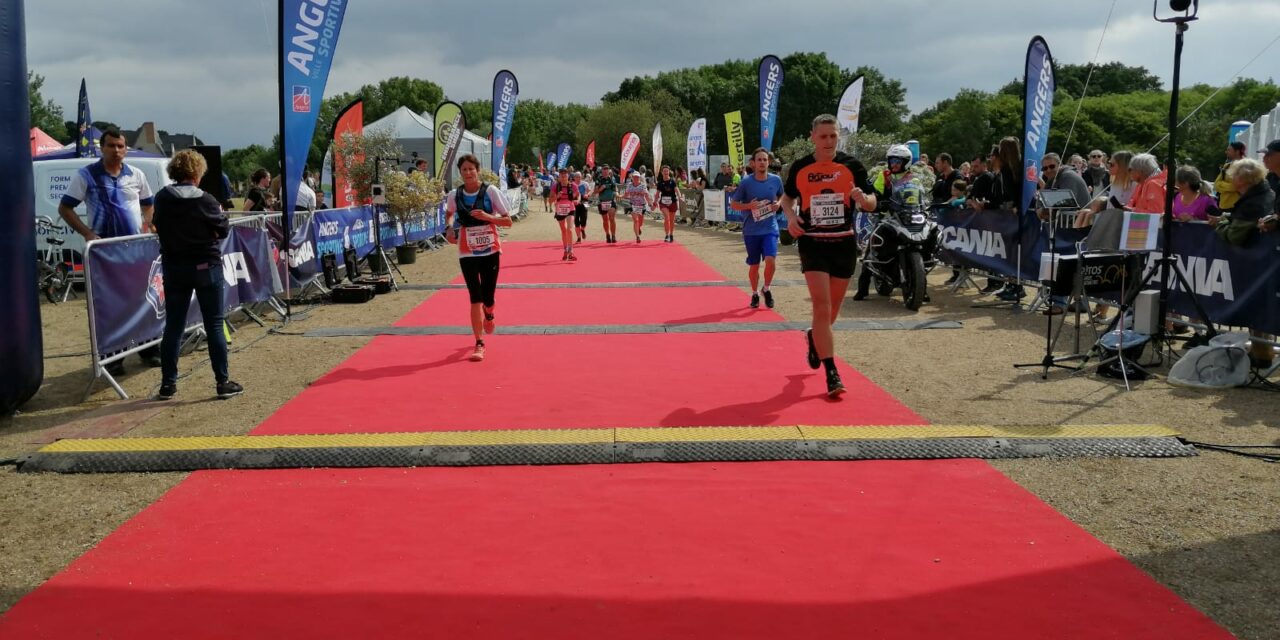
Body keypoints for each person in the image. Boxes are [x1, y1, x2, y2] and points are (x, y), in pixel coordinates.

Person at [780, 114, 877, 397]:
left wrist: (863, 199)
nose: (828, 141)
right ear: (812, 137)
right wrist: (791, 218)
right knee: (821, 306)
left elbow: (872, 202)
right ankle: (832, 372)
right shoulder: (801, 167)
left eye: (833, 136)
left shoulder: (852, 166)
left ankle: (814, 337)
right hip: (813, 243)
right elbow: (787, 199)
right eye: (823, 136)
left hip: (844, 243)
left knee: (832, 310)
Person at [58, 127, 161, 375]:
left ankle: (148, 349)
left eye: (120, 146)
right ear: (101, 148)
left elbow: (148, 203)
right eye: (111, 146)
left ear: (126, 148)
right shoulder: (86, 175)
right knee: (110, 304)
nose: (116, 150)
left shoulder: (136, 174)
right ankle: (113, 357)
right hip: (104, 252)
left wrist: (149, 224)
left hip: (135, 250)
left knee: (142, 299)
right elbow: (65, 208)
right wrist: (87, 234)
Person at [151, 149, 242, 399]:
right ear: (196, 172)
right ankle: (222, 382)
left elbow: (158, 223)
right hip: (205, 265)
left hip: (174, 266)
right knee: (214, 323)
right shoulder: (207, 200)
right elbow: (222, 229)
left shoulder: (162, 198)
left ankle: (168, 384)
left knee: (174, 326)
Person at [444, 154, 514, 362]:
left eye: (471, 169)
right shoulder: (454, 195)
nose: (468, 173)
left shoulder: (490, 191)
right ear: (460, 172)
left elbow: (508, 221)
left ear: (477, 170)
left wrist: (489, 217)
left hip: (490, 250)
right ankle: (479, 342)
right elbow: (449, 213)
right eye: (464, 170)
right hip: (467, 251)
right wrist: (448, 228)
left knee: (488, 297)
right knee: (475, 297)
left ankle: (490, 313)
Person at [1214, 157, 1276, 368]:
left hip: (1255, 264)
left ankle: (1263, 354)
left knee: (1257, 309)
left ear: (1241, 180)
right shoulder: (1267, 193)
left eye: (1234, 177)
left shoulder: (1253, 202)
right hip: (1263, 263)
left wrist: (1221, 223)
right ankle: (1262, 351)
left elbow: (1234, 236)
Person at [729, 148, 784, 308]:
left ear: (769, 162)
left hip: (770, 228)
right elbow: (733, 204)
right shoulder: (746, 182)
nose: (762, 162)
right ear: (753, 163)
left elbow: (782, 195)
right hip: (751, 230)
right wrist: (749, 205)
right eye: (759, 160)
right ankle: (754, 293)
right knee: (754, 265)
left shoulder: (776, 180)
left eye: (765, 160)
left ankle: (766, 288)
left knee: (771, 261)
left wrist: (778, 204)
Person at [551, 169, 579, 260]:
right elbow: (550, 200)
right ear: (559, 176)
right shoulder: (555, 186)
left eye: (565, 175)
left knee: (570, 229)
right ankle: (565, 250)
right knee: (563, 230)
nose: (563, 177)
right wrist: (557, 196)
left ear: (568, 176)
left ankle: (571, 251)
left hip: (570, 209)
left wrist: (577, 200)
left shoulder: (573, 186)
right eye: (561, 175)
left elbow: (577, 196)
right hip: (560, 210)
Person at [1213, 141, 1247, 212]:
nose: (1226, 152)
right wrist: (1229, 186)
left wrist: (1222, 185)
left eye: (1229, 150)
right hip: (1223, 206)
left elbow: (1238, 186)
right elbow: (1216, 184)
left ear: (1237, 152)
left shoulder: (1245, 166)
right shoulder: (1227, 166)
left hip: (1237, 207)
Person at [654, 165, 682, 242]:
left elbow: (677, 190)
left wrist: (680, 197)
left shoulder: (673, 181)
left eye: (667, 171)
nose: (666, 172)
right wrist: (655, 201)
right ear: (662, 172)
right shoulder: (660, 183)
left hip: (673, 202)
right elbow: (657, 193)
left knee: (672, 220)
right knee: (667, 218)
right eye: (664, 171)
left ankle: (671, 234)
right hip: (663, 203)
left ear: (669, 172)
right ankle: (667, 235)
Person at [593, 165, 620, 243]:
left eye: (607, 169)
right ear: (602, 171)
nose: (605, 171)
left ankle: (613, 236)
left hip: (611, 201)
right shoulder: (599, 179)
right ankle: (607, 234)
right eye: (604, 169)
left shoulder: (612, 178)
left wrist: (617, 193)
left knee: (612, 218)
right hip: (602, 202)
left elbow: (615, 188)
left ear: (609, 171)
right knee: (605, 220)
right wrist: (601, 188)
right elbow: (595, 191)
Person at [622, 170, 651, 242]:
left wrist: (650, 203)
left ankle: (638, 228)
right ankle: (637, 237)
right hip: (633, 205)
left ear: (639, 178)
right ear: (632, 178)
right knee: (636, 220)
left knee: (640, 222)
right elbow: (626, 194)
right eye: (634, 177)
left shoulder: (643, 185)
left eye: (637, 177)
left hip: (641, 205)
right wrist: (622, 196)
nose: (636, 178)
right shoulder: (629, 185)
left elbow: (646, 195)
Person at [573, 171, 591, 243]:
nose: (578, 178)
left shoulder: (585, 183)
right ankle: (578, 238)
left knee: (584, 219)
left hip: (585, 202)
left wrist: (587, 195)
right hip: (575, 203)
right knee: (576, 221)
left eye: (579, 177)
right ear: (574, 178)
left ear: (581, 177)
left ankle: (582, 229)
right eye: (576, 177)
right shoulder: (572, 185)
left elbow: (590, 191)